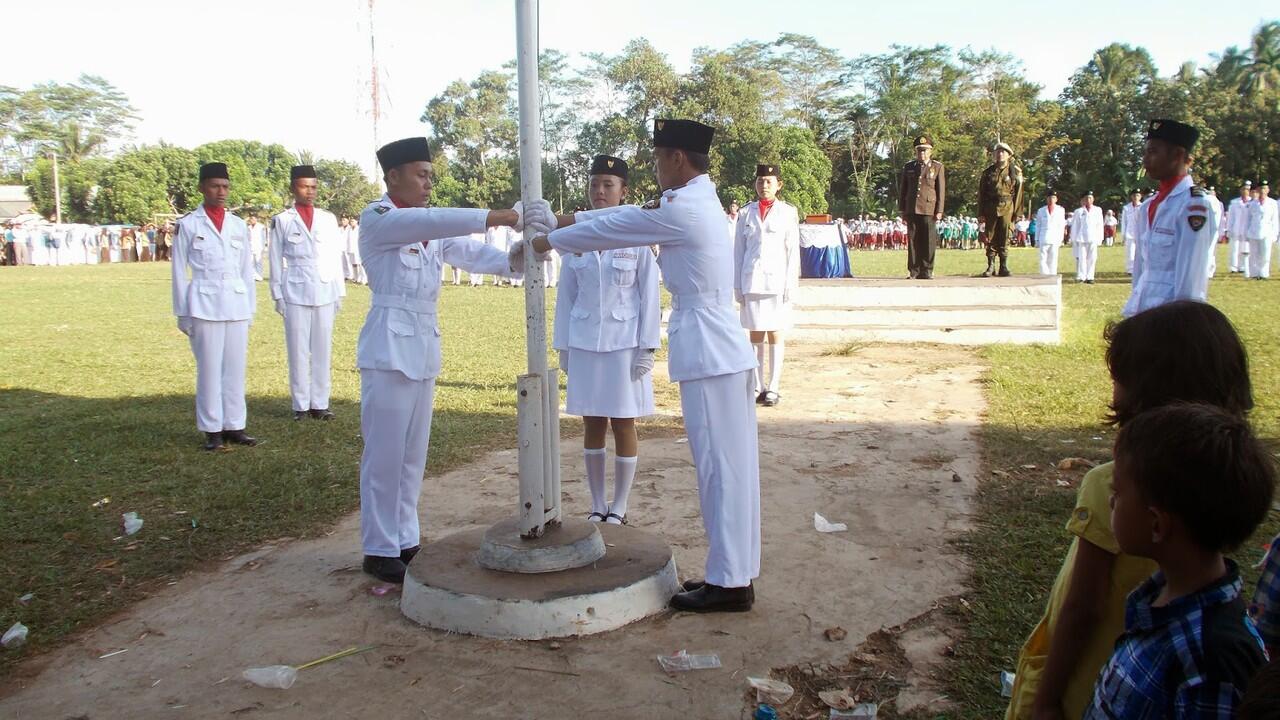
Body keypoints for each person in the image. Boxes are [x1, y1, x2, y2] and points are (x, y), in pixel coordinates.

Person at [526, 118, 760, 613]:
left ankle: (731, 582)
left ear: (676, 158)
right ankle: (731, 574)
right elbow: (624, 215)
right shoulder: (693, 200)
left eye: (657, 159)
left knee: (722, 468)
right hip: (714, 344)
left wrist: (548, 239)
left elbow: (617, 225)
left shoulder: (686, 207)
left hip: (710, 347)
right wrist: (564, 223)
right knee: (724, 468)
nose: (655, 168)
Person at [1005, 299, 1256, 720]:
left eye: (1119, 380)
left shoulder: (1114, 483)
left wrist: (1046, 701)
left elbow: (1081, 607)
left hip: (1077, 688)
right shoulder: (1220, 479)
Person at [355, 136, 549, 584]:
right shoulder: (378, 217)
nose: (428, 183)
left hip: (421, 346)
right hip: (388, 347)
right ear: (392, 177)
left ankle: (405, 538)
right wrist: (503, 216)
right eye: (420, 175)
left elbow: (470, 252)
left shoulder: (426, 230)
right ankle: (378, 547)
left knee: (412, 455)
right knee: (384, 455)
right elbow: (437, 221)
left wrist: (514, 258)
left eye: (429, 175)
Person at [1085, 402, 1273, 718]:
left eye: (1117, 492)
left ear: (1157, 524)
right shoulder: (1161, 598)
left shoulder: (1211, 661)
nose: (1111, 500)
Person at [553, 154, 660, 525]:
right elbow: (564, 297)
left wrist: (648, 346)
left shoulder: (636, 238)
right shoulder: (575, 239)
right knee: (592, 423)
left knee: (624, 422)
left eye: (608, 185)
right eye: (595, 184)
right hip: (585, 342)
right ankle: (597, 504)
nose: (600, 191)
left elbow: (649, 295)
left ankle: (621, 505)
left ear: (623, 192)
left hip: (624, 344)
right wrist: (563, 347)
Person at [171, 162, 259, 451]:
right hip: (204, 302)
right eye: (214, 186)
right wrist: (183, 313)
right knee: (209, 369)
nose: (221, 192)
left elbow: (247, 269)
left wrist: (250, 307)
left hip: (235, 301)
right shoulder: (188, 224)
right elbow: (178, 272)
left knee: (235, 367)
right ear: (201, 188)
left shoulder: (237, 225)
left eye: (225, 186)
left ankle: (235, 424)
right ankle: (212, 428)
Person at [270, 165, 346, 422]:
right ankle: (300, 405)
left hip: (324, 288)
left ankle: (320, 403)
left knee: (322, 349)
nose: (310, 191)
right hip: (295, 289)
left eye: (313, 186)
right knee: (298, 350)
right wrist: (277, 294)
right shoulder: (282, 220)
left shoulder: (327, 218)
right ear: (293, 187)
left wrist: (339, 292)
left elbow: (335, 257)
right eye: (304, 186)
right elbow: (274, 259)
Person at [1123, 119, 1218, 317]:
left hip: (1172, 315)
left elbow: (1191, 277)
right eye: (1146, 152)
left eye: (1153, 152)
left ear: (1178, 155)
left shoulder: (1192, 206)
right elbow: (1142, 268)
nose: (1145, 160)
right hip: (1142, 307)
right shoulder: (1149, 206)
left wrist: (1184, 323)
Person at [734, 163, 800, 407]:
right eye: (760, 181)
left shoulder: (787, 212)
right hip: (752, 280)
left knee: (775, 332)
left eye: (769, 182)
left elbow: (793, 252)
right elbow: (738, 252)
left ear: (779, 185)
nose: (764, 186)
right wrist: (737, 286)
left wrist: (790, 285)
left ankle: (774, 386)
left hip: (776, 282)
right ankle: (756, 385)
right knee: (754, 334)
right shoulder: (745, 213)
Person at [898, 134, 945, 279]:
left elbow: (941, 190)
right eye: (919, 150)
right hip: (912, 209)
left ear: (930, 152)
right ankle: (914, 270)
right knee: (913, 241)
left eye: (925, 150)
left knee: (929, 241)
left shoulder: (937, 167)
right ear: (916, 152)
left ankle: (927, 269)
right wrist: (902, 210)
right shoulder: (909, 167)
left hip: (929, 209)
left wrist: (939, 210)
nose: (922, 153)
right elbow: (903, 189)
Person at [977, 142, 1023, 277]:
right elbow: (981, 194)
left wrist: (1017, 213)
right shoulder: (987, 172)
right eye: (997, 152)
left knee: (1004, 236)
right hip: (990, 207)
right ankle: (991, 266)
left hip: (1007, 207)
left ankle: (1003, 265)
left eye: (1003, 152)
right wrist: (980, 213)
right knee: (990, 236)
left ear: (1009, 155)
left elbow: (1019, 193)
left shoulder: (1015, 172)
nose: (1000, 154)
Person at [1245, 181, 1278, 280]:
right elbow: (1248, 218)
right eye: (1261, 189)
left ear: (1268, 190)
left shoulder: (1272, 203)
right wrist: (1246, 231)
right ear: (1257, 190)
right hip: (1253, 230)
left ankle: (1264, 273)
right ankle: (1254, 273)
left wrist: (1274, 234)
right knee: (1254, 253)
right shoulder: (1252, 203)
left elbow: (1275, 220)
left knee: (1265, 254)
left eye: (1265, 188)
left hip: (1267, 231)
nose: (1263, 191)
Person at [1069, 192, 1104, 284]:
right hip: (1081, 237)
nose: (1088, 200)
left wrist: (1100, 238)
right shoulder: (1079, 211)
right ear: (1084, 200)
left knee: (1092, 258)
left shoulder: (1098, 210)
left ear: (1093, 199)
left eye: (1090, 198)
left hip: (1093, 237)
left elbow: (1100, 225)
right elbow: (1075, 226)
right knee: (1082, 258)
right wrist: (1073, 238)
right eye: (1086, 198)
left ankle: (1090, 276)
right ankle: (1081, 276)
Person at [1034, 190, 1066, 276]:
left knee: (1053, 258)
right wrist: (1036, 239)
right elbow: (1038, 225)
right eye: (1049, 197)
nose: (1051, 199)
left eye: (1053, 197)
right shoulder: (1041, 210)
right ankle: (1044, 274)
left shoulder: (1060, 210)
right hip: (1043, 236)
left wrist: (1061, 239)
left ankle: (1052, 274)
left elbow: (1061, 225)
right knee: (1042, 258)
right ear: (1046, 199)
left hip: (1055, 237)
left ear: (1056, 199)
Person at [1227, 181, 1253, 273]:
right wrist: (1229, 229)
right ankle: (1234, 266)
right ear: (1241, 190)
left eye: (1247, 189)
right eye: (1244, 189)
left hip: (1247, 229)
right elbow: (1230, 217)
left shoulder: (1252, 202)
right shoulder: (1234, 202)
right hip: (1236, 228)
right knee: (1234, 249)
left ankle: (1243, 266)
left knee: (1245, 248)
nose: (1245, 191)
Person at [1121, 189, 1143, 274]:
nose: (1135, 197)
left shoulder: (1143, 206)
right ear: (1131, 197)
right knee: (1130, 253)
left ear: (1140, 196)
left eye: (1137, 195)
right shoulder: (1126, 208)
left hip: (1140, 233)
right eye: (1134, 195)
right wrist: (1123, 235)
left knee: (1140, 253)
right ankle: (1130, 270)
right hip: (1129, 233)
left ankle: (1140, 269)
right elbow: (1124, 222)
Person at [247, 215, 266, 281]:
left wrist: (263, 247)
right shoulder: (248, 227)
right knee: (251, 262)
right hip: (250, 247)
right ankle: (253, 275)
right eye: (251, 219)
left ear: (256, 220)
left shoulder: (261, 227)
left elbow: (264, 238)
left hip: (258, 247)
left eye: (253, 219)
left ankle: (259, 276)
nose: (252, 221)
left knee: (258, 262)